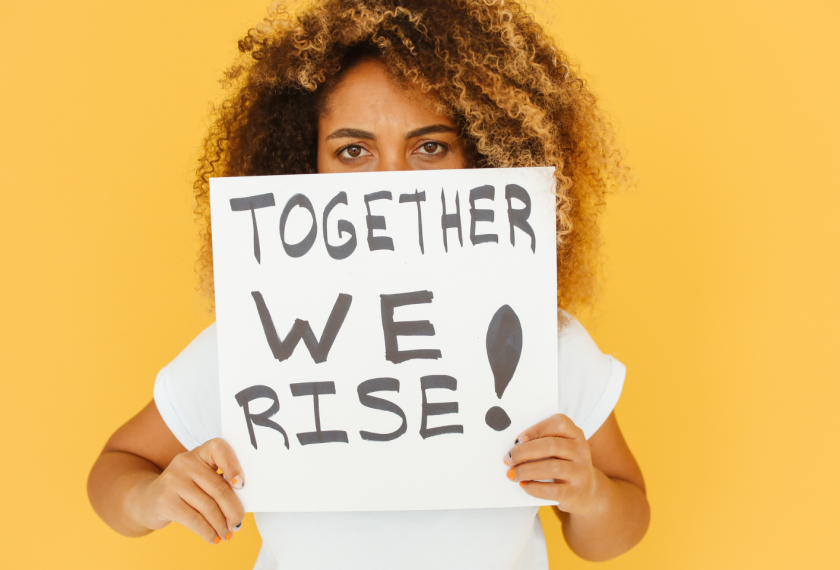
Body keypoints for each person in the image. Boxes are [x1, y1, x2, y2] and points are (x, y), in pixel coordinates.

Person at [87, 1, 650, 568]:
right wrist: (151, 497)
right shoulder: (261, 345)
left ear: (482, 156)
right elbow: (116, 467)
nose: (392, 184)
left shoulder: (537, 339)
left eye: (430, 146)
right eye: (353, 151)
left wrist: (591, 494)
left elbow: (621, 524)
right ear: (302, 167)